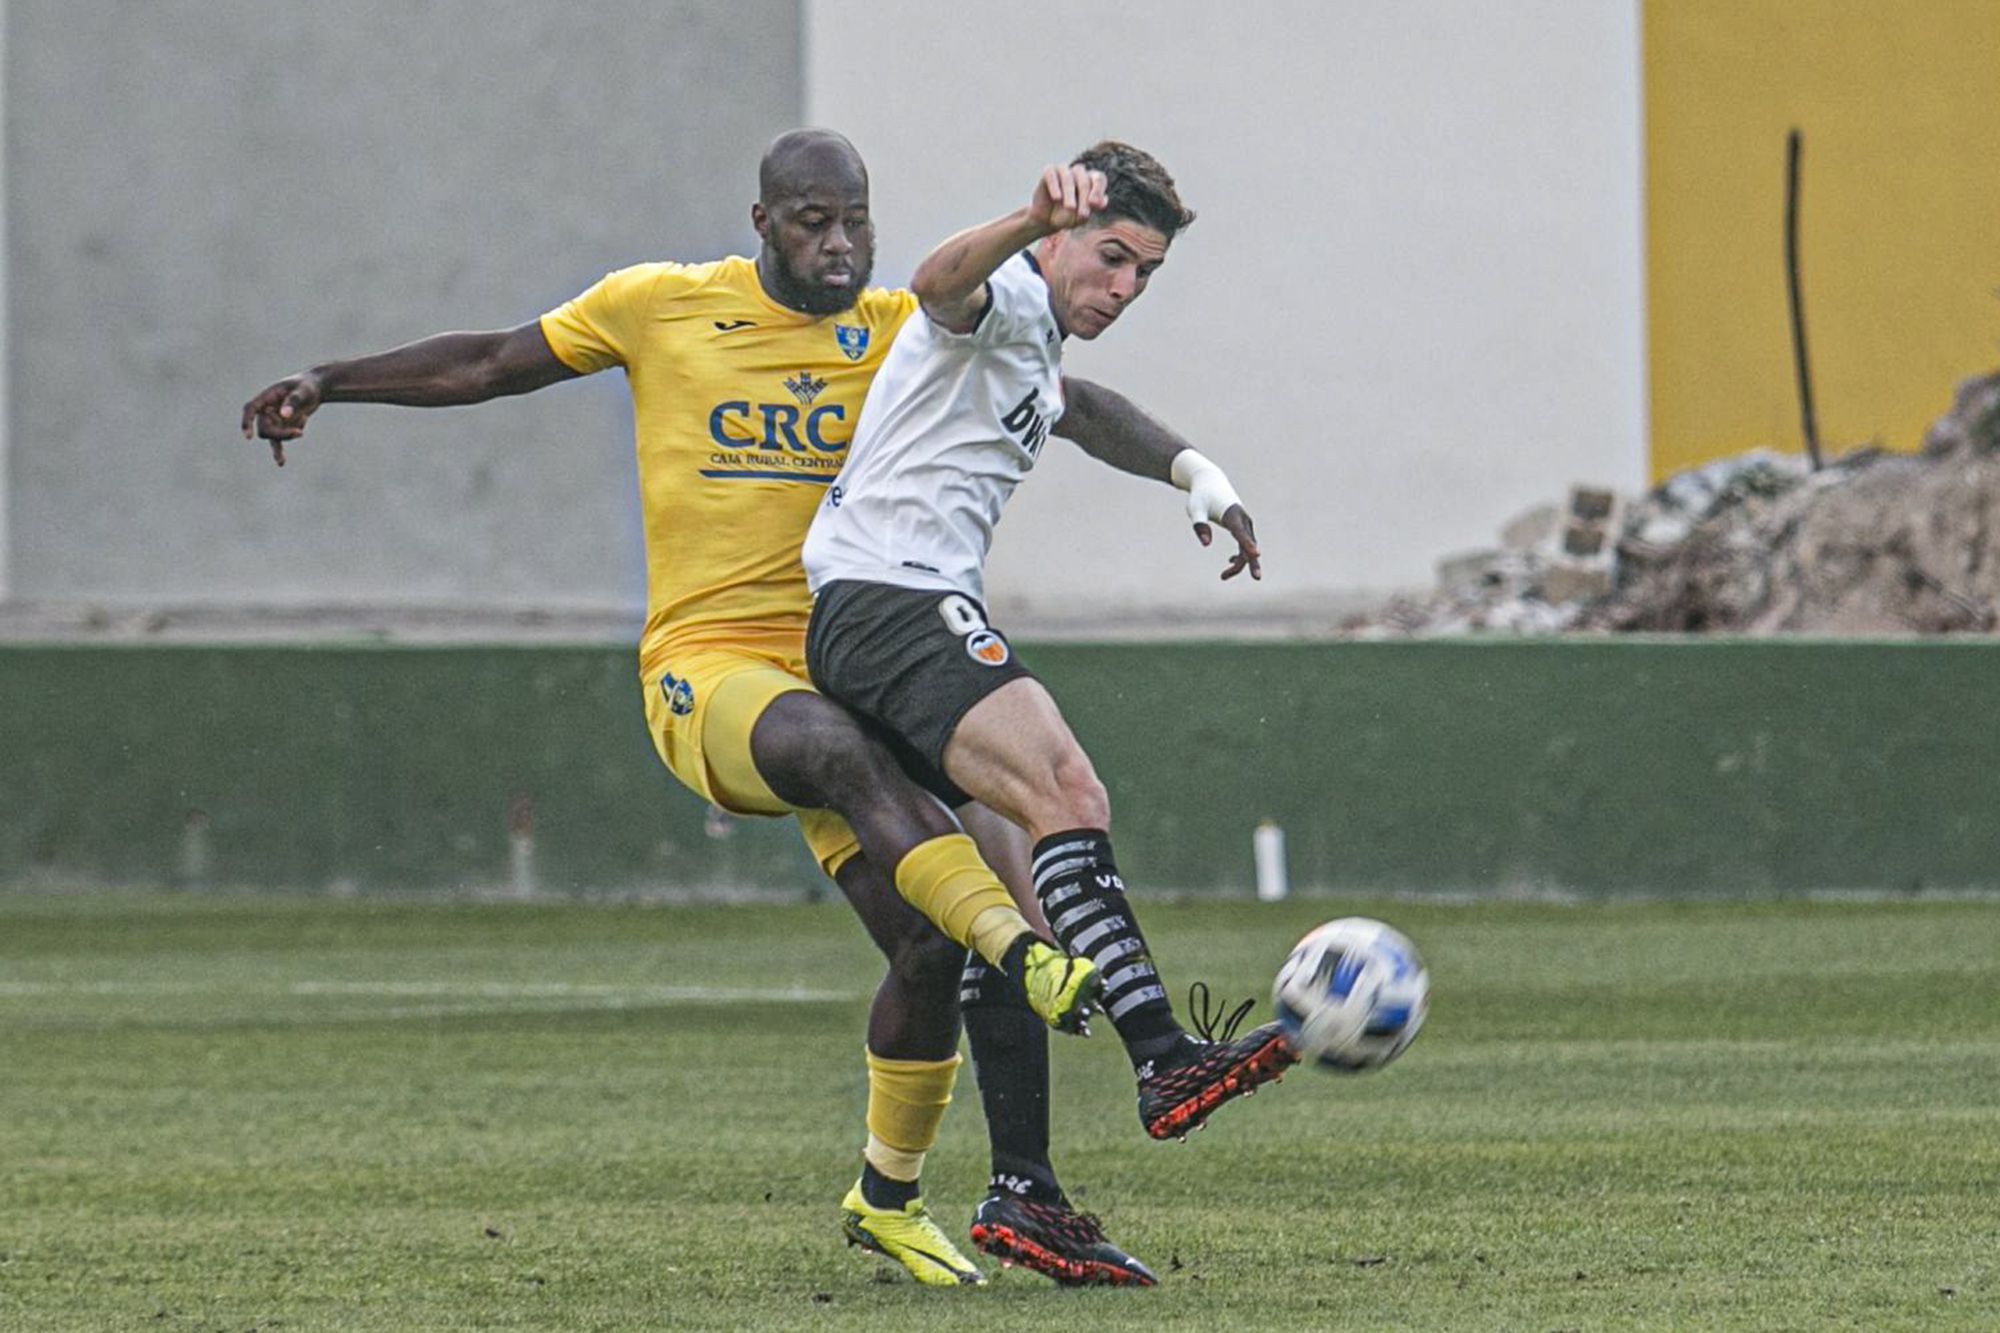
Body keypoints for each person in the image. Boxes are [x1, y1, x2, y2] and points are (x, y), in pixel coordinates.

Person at [240, 130, 1160, 1288]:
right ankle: (1019, 948)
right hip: (710, 670)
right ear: (764, 221)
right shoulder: (660, 307)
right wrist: (330, 379)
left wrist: (1194, 476)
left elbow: (1066, 406)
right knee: (871, 788)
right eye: (814, 221)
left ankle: (901, 1194)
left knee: (926, 945)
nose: (840, 244)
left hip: (848, 662)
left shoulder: (899, 334)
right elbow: (486, 362)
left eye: (856, 221)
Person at [801, 144, 1298, 1244]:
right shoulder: (1000, 297)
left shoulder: (1030, 345)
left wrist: (1194, 474)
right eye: (1109, 258)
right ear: (1062, 238)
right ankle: (1165, 1055)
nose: (1119, 288)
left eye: (1144, 274)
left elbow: (1079, 409)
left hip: (868, 615)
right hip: (894, 602)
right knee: (1068, 788)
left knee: (1014, 910)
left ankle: (1022, 1189)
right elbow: (937, 284)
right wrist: (1023, 219)